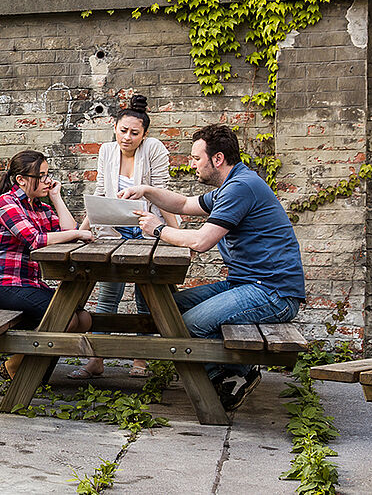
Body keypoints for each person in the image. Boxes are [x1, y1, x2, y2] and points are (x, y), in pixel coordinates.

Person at [120, 123, 305, 410]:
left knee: (189, 324)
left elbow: (202, 241)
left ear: (217, 159)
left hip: (273, 292)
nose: (192, 164)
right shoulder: (230, 186)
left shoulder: (240, 188)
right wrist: (146, 190)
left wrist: (158, 229)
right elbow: (182, 204)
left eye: (196, 158)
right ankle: (225, 373)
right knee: (158, 303)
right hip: (245, 284)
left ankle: (230, 376)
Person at [71, 95, 180, 380]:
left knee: (146, 294)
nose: (127, 137)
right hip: (113, 228)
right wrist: (84, 229)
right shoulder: (107, 151)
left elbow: (163, 193)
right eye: (123, 131)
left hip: (147, 227)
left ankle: (140, 360)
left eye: (134, 133)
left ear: (144, 135)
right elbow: (100, 191)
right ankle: (96, 359)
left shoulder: (154, 149)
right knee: (108, 293)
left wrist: (178, 236)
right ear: (114, 128)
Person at [0, 150, 93, 380]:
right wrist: (76, 234)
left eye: (47, 174)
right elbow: (36, 240)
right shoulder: (6, 204)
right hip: (2, 286)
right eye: (40, 176)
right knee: (66, 317)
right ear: (21, 180)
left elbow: (68, 231)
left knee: (84, 319)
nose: (47, 180)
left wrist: (56, 197)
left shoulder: (39, 208)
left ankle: (28, 368)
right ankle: (21, 369)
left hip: (28, 284)